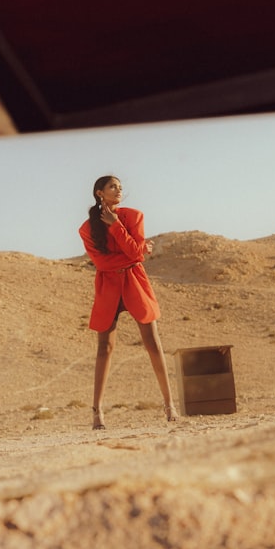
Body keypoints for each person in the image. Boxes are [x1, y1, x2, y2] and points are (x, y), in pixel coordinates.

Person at [79, 175, 179, 430]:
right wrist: (137, 251)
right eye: (113, 186)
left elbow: (136, 254)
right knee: (105, 349)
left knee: (153, 344)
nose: (119, 190)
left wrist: (118, 228)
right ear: (99, 193)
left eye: (120, 187)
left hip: (135, 283)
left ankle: (170, 406)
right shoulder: (86, 229)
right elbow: (103, 263)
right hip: (108, 287)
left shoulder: (134, 216)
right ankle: (97, 413)